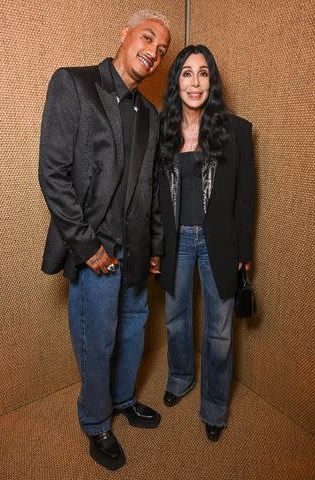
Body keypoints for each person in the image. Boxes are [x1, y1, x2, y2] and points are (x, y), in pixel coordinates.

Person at [39, 10, 170, 471]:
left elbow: (151, 189)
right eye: (148, 38)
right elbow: (52, 174)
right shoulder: (73, 85)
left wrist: (154, 246)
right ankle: (96, 423)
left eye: (161, 49)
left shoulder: (151, 116)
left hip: (136, 253)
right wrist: (87, 246)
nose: (153, 52)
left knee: (133, 331)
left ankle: (123, 399)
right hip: (96, 253)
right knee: (99, 341)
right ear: (124, 34)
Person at [157, 45, 255, 442]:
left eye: (202, 73)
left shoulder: (237, 130)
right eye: (186, 73)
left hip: (220, 243)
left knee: (219, 330)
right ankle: (180, 377)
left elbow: (247, 197)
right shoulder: (162, 129)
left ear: (212, 81)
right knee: (175, 318)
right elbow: (153, 197)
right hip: (175, 241)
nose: (194, 82)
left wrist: (244, 253)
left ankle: (215, 405)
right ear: (176, 81)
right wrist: (153, 247)